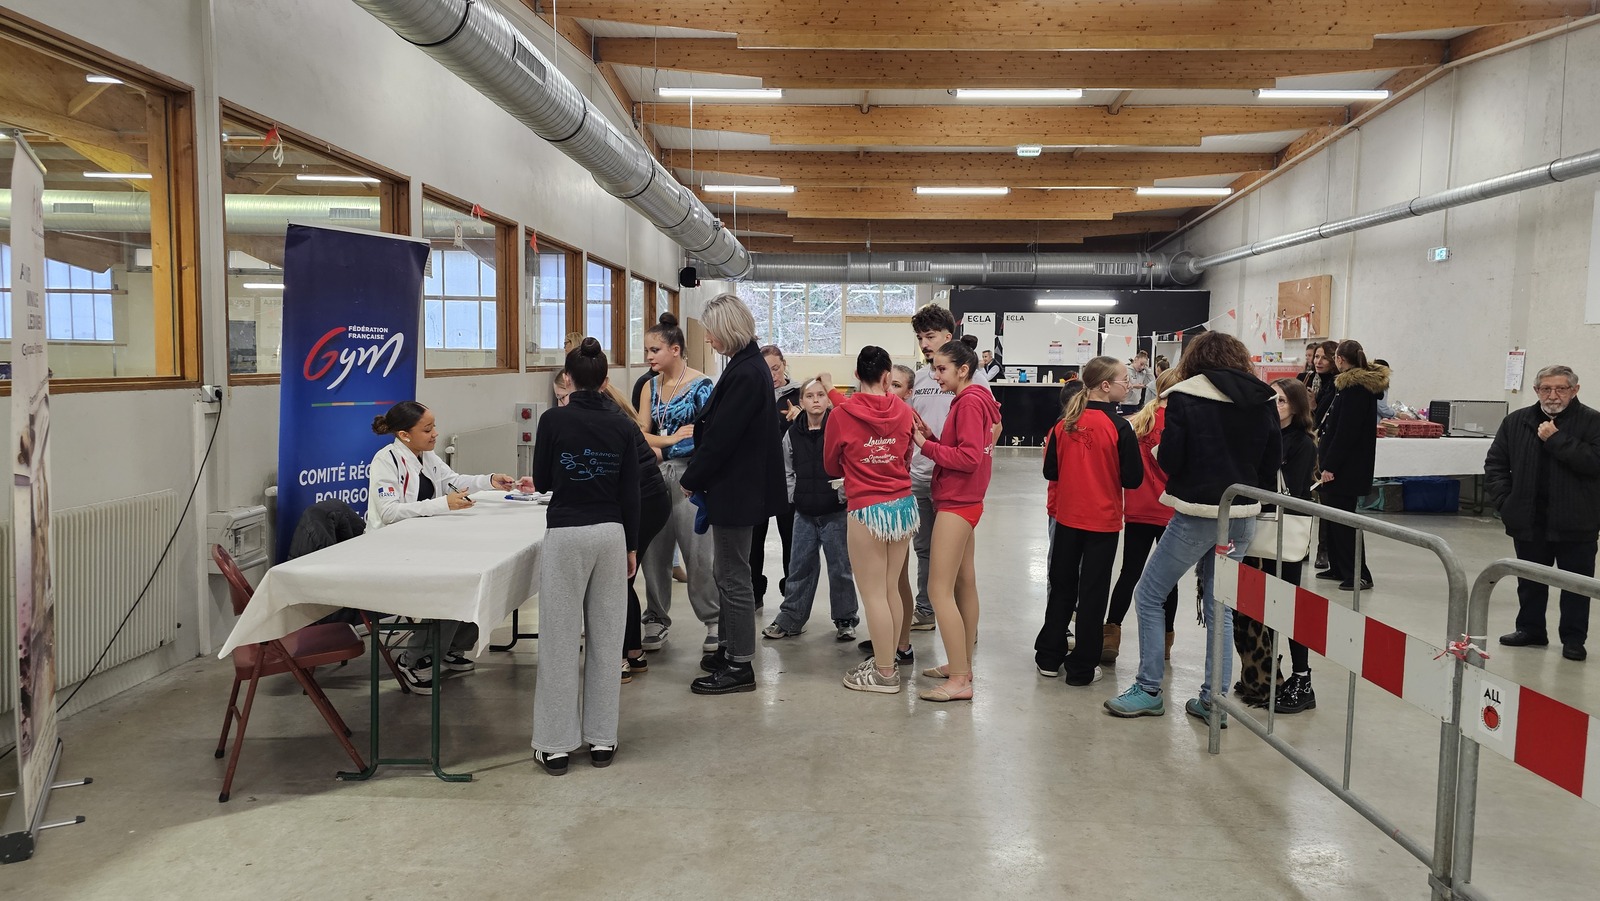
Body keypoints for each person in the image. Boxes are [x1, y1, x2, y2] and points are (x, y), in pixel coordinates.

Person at [1104, 331, 1280, 724]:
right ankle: (1214, 702)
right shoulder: (1264, 398)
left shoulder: (1186, 396)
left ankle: (1149, 689)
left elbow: (1170, 459)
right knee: (1220, 606)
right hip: (1243, 514)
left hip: (1197, 513)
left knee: (1149, 594)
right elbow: (1271, 462)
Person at [528, 339, 640, 774]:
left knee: (559, 639)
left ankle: (555, 745)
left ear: (568, 379)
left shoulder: (553, 420)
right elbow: (631, 492)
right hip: (611, 533)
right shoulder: (623, 425)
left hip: (567, 532)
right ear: (606, 381)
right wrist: (631, 545)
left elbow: (541, 481)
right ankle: (602, 739)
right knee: (608, 640)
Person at [366, 401, 515, 694]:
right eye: (427, 429)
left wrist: (489, 481)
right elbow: (390, 512)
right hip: (391, 549)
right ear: (404, 435)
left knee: (485, 577)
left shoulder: (426, 456)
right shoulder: (386, 461)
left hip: (425, 542)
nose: (435, 433)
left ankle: (451, 646)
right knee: (455, 588)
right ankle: (413, 659)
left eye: (434, 426)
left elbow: (453, 482)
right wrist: (442, 504)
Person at [682, 294, 787, 695]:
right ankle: (728, 648)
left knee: (732, 576)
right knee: (727, 573)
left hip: (737, 489)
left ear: (728, 329)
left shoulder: (745, 372)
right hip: (739, 487)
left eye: (711, 332)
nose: (708, 339)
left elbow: (722, 438)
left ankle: (739, 664)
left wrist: (693, 476)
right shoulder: (746, 365)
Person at [1036, 356, 1142, 686]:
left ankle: (1049, 656)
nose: (1129, 385)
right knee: (1093, 593)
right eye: (1125, 380)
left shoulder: (1064, 423)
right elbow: (1133, 478)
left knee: (1062, 587)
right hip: (1102, 522)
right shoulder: (1120, 427)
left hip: (1067, 518)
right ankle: (1082, 667)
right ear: (1106, 386)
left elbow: (1050, 471)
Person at [1486, 364, 1600, 661]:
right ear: (1536, 390)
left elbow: (1594, 463)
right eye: (1546, 389)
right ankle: (1530, 629)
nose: (1553, 395)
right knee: (1529, 581)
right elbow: (1496, 464)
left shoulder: (1593, 422)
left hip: (1578, 521)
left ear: (1575, 390)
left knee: (1577, 585)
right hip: (1529, 519)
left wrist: (1556, 439)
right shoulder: (1516, 421)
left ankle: (1573, 639)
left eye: (1561, 388)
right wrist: (1506, 503)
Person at [913, 339, 1003, 702]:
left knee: (939, 590)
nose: (935, 376)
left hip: (957, 502)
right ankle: (960, 663)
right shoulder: (974, 400)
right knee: (964, 582)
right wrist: (932, 436)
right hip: (966, 499)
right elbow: (966, 448)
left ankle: (960, 678)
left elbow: (967, 459)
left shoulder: (968, 402)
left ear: (963, 370)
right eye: (934, 368)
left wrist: (923, 445)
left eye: (941, 369)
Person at [825, 347, 918, 693]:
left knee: (874, 594)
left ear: (856, 375)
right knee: (891, 589)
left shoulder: (841, 414)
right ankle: (887, 660)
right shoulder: (905, 411)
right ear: (887, 376)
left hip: (867, 508)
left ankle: (884, 674)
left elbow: (830, 464)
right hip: (903, 506)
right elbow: (907, 455)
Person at [634, 312, 718, 653]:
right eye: (646, 350)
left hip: (690, 477)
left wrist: (666, 447)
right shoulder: (650, 386)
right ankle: (655, 616)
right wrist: (668, 441)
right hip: (655, 476)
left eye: (655, 350)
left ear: (676, 349)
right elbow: (641, 434)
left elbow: (706, 438)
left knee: (697, 553)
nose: (649, 356)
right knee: (654, 552)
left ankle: (713, 619)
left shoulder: (702, 385)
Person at [1234, 378, 1319, 713]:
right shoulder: (1265, 434)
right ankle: (1266, 673)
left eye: (1281, 400)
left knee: (1288, 607)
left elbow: (1292, 491)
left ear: (1296, 407)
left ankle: (1303, 678)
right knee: (1256, 609)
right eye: (1272, 399)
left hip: (1281, 532)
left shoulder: (1302, 443)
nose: (1274, 405)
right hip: (1257, 530)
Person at [907, 304, 993, 634]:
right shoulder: (923, 377)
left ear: (948, 336)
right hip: (925, 477)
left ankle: (959, 639)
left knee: (951, 574)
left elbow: (984, 437)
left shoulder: (972, 384)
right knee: (926, 552)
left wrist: (931, 446)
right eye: (919, 338)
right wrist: (930, 441)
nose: (924, 344)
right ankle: (931, 615)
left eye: (930, 336)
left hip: (956, 486)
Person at [762, 379, 857, 642]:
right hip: (803, 513)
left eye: (821, 395)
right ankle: (791, 618)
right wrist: (795, 497)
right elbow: (786, 468)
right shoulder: (792, 433)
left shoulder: (839, 429)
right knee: (799, 567)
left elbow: (849, 465)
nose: (816, 400)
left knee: (840, 568)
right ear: (801, 402)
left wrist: (841, 495)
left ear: (828, 400)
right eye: (810, 396)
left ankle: (845, 618)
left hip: (835, 512)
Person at [1105, 368, 1182, 665]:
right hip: (1170, 509)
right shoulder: (1179, 424)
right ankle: (1164, 642)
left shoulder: (1138, 421)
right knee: (1169, 580)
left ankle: (1110, 633)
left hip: (1138, 508)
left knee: (1129, 572)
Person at [601, 382, 670, 684]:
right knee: (624, 580)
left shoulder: (605, 419)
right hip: (650, 501)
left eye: (564, 396)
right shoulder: (613, 412)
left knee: (618, 579)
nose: (562, 403)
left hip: (642, 503)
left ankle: (620, 656)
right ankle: (633, 652)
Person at [1315, 340, 1387, 592]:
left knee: (1344, 522)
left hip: (1346, 469)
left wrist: (1330, 466)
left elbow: (1346, 433)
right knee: (1333, 520)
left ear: (1340, 360)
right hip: (1339, 466)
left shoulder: (1356, 390)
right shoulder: (1345, 387)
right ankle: (1339, 567)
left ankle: (1359, 574)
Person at [750, 345, 801, 607]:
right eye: (766, 370)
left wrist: (801, 416)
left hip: (788, 479)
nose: (772, 375)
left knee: (791, 540)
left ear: (784, 364)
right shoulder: (751, 394)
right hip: (757, 479)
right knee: (753, 541)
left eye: (776, 368)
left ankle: (791, 597)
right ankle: (753, 592)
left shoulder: (800, 394)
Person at [1123, 349, 1153, 414]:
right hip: (1125, 404)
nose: (1142, 367)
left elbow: (1151, 382)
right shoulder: (1126, 370)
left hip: (1136, 403)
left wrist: (1147, 369)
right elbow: (1123, 386)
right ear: (1136, 360)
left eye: (1144, 365)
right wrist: (1134, 386)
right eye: (1141, 364)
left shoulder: (1142, 373)